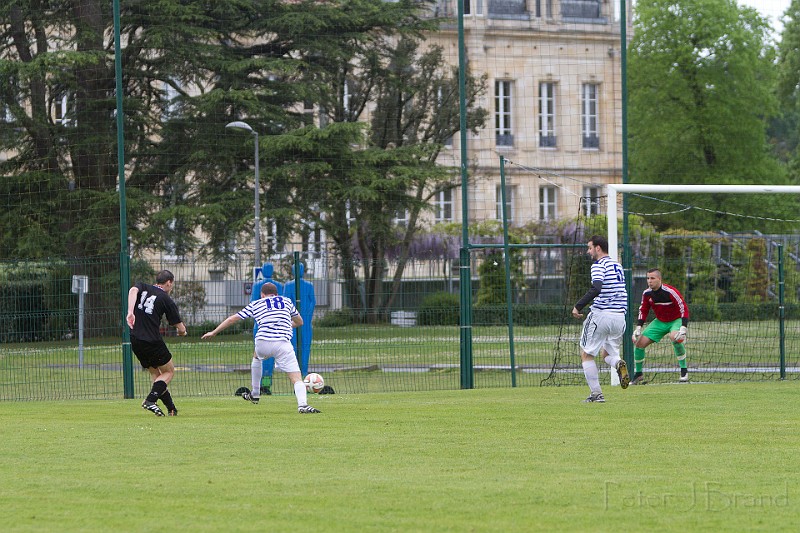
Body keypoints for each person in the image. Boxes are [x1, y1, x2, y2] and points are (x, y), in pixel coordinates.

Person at [202, 282, 320, 414]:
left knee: (256, 356)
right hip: (283, 344)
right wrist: (285, 325)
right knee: (296, 377)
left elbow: (232, 319)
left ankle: (255, 393)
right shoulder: (286, 302)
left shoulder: (257, 304)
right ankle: (303, 405)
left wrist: (214, 332)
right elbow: (300, 322)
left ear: (262, 294)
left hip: (262, 342)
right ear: (276, 294)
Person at [571, 235, 630, 402]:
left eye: (590, 248)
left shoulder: (599, 265)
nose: (588, 252)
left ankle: (596, 394)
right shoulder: (617, 265)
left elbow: (596, 287)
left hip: (602, 315)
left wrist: (578, 306)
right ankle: (618, 363)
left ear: (598, 248)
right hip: (619, 317)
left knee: (586, 354)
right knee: (607, 354)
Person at [126, 270, 187, 416]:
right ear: (168, 282)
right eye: (171, 285)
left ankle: (171, 409)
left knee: (157, 376)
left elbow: (133, 290)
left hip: (135, 339)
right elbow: (179, 326)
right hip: (152, 340)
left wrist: (130, 311)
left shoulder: (143, 287)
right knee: (169, 372)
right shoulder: (165, 299)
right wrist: (182, 332)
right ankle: (150, 400)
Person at [631, 268, 690, 384]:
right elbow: (643, 310)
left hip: (675, 320)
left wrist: (683, 327)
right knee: (639, 344)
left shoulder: (670, 291)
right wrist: (638, 328)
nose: (649, 281)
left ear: (659, 279)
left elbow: (683, 307)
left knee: (675, 337)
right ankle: (638, 374)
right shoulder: (646, 293)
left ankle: (684, 370)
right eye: (648, 278)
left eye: (652, 278)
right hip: (660, 321)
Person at [250, 263, 283, 394]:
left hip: (261, 325)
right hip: (274, 325)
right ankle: (265, 384)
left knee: (259, 356)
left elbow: (253, 303)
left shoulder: (258, 285)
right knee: (269, 356)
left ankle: (262, 386)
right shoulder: (278, 286)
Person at [284, 262, 316, 377]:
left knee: (300, 347)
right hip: (301, 322)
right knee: (299, 347)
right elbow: (312, 303)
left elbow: (286, 303)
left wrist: (298, 316)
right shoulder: (291, 285)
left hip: (297, 322)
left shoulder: (291, 286)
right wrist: (305, 316)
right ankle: (301, 371)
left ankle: (301, 371)